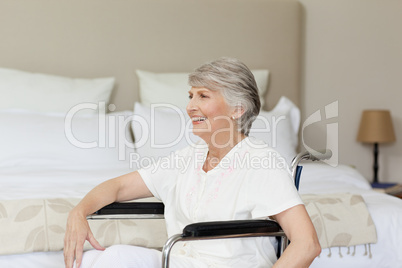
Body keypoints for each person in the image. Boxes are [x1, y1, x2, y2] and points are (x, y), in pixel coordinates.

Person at [64, 57, 321, 268]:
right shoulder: (188, 157)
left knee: (113, 259)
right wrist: (79, 211)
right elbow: (119, 187)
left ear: (238, 108)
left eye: (203, 96)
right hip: (177, 261)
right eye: (191, 95)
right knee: (97, 259)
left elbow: (306, 244)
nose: (190, 106)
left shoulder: (261, 162)